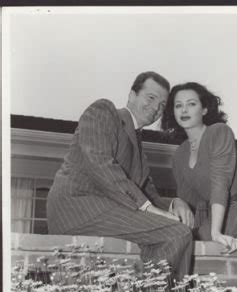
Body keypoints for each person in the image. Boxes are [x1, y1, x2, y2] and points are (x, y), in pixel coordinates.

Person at [47, 71, 194, 281]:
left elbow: (148, 196)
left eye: (162, 105)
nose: (155, 108)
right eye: (150, 98)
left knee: (174, 232)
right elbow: (100, 163)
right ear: (132, 95)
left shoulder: (140, 150)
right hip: (77, 207)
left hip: (106, 209)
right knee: (176, 233)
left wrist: (175, 203)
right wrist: (147, 208)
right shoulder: (103, 111)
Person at [162, 82, 237, 253]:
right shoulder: (179, 154)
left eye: (191, 104)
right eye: (178, 105)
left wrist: (215, 232)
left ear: (204, 110)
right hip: (213, 219)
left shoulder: (219, 132)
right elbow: (190, 203)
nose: (184, 110)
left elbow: (220, 183)